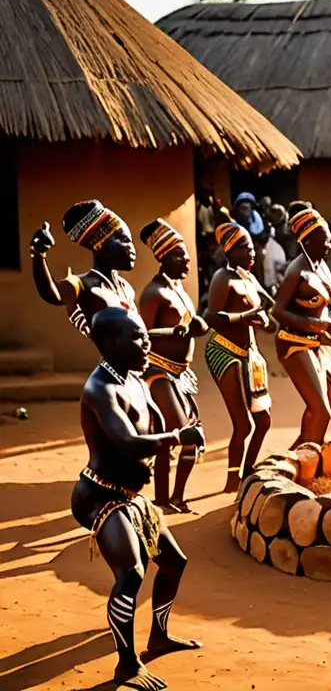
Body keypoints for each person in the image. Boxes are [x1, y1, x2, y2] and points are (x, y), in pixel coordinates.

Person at [73, 307, 205, 690]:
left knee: (173, 562)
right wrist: (177, 438)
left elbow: (151, 425)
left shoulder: (133, 378)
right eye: (136, 337)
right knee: (130, 573)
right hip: (99, 498)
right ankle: (127, 665)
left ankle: (159, 636)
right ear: (110, 343)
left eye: (145, 336)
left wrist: (177, 423)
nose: (146, 343)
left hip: (131, 497)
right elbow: (128, 443)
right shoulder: (100, 389)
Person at [137, 220, 208, 513]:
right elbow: (139, 336)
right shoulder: (154, 294)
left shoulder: (178, 290)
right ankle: (168, 499)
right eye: (179, 255)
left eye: (187, 255)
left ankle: (172, 498)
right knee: (185, 434)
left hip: (181, 375)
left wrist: (196, 326)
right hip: (158, 372)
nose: (187, 260)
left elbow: (195, 325)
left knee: (173, 437)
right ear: (163, 257)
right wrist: (171, 333)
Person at [203, 223, 274, 493]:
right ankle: (232, 482)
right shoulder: (223, 277)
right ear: (229, 251)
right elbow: (211, 318)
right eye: (244, 247)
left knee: (263, 421)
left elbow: (267, 316)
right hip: (224, 351)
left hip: (250, 354)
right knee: (242, 424)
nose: (251, 251)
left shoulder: (249, 279)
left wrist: (264, 320)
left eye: (252, 246)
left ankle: (247, 474)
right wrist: (246, 317)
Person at [272, 207, 331, 447]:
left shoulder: (321, 265)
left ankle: (305, 450)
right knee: (320, 408)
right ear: (307, 241)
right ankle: (304, 460)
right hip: (294, 342)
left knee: (330, 397)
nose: (329, 243)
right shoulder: (296, 272)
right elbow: (277, 312)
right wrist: (317, 323)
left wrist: (329, 324)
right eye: (325, 239)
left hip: (317, 341)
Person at [30, 200, 137, 338]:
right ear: (99, 245)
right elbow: (53, 293)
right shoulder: (84, 285)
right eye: (125, 240)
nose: (132, 248)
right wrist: (38, 255)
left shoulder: (126, 288)